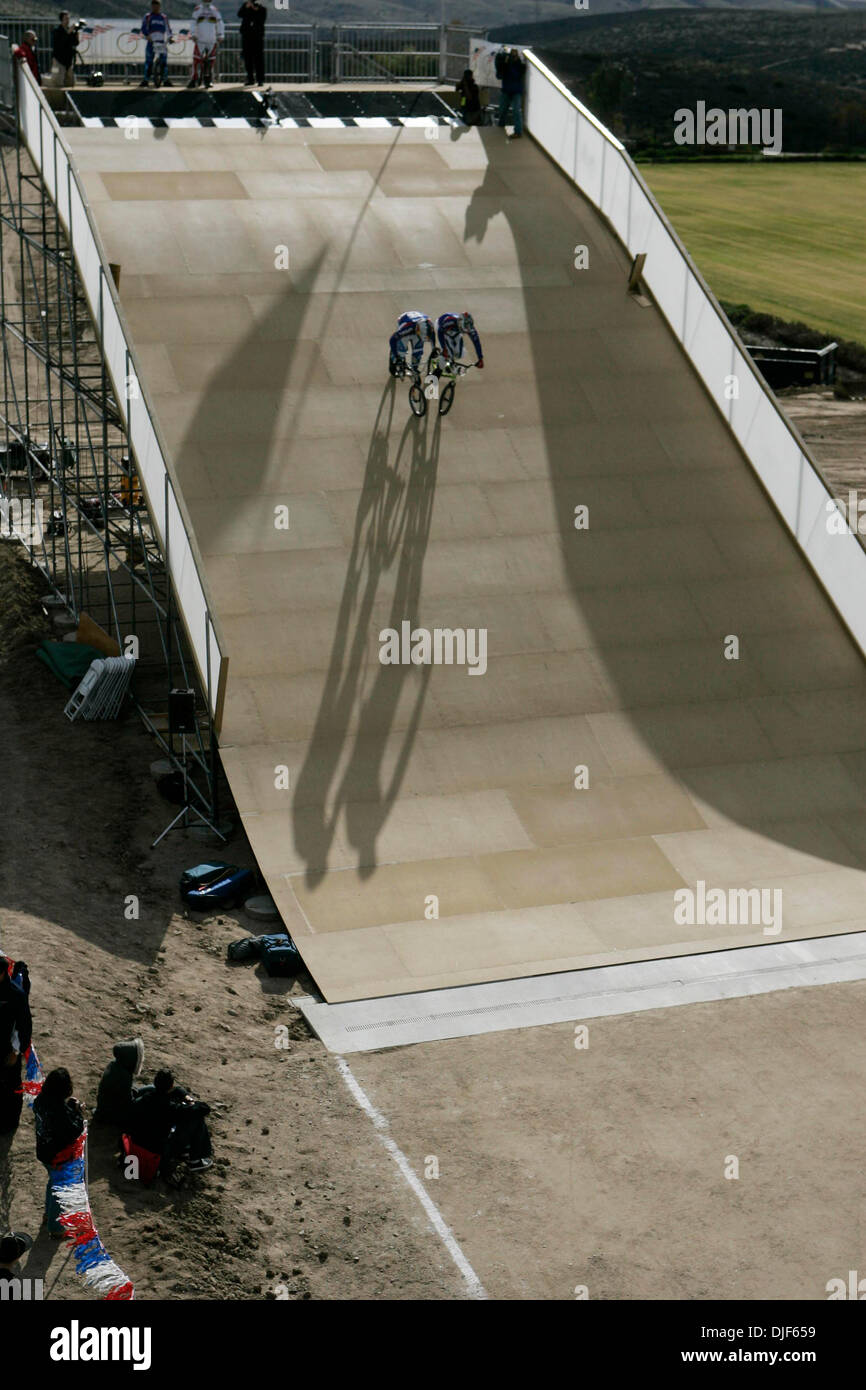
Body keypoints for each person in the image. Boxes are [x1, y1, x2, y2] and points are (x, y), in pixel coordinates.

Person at [128, 1069, 213, 1176]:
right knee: (196, 1118)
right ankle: (195, 1161)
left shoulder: (145, 1098)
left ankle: (186, 1152)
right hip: (159, 1152)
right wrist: (190, 1101)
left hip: (138, 1144)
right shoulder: (171, 1108)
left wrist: (181, 1093)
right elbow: (204, 1109)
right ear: (171, 1086)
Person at [32, 1068, 85, 1236]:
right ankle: (55, 1228)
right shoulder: (59, 1110)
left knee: (52, 1183)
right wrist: (77, 1113)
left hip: (43, 1151)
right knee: (59, 1190)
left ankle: (48, 1215)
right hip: (58, 1156)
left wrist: (69, 1107)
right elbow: (72, 1131)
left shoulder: (41, 1100)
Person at [0, 960, 32, 1139]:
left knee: (10, 1089)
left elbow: (23, 1027)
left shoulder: (16, 995)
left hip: (7, 1050)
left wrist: (15, 1051)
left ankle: (8, 1124)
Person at [93, 1038, 145, 1129]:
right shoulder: (123, 1076)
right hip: (113, 1116)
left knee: (148, 1090)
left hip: (106, 1109)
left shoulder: (115, 1065)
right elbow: (127, 1102)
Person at [389, 310, 435, 379]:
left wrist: (433, 349)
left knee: (418, 352)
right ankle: (395, 360)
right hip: (406, 323)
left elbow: (432, 337)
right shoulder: (407, 327)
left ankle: (414, 369)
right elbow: (392, 340)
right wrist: (396, 356)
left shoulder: (429, 327)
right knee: (401, 351)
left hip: (417, 327)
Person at [188, 1, 224, 89]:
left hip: (211, 39)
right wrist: (193, 34)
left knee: (211, 61)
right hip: (200, 39)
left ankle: (209, 80)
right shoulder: (197, 9)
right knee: (196, 60)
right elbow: (193, 23)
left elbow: (219, 23)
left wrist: (220, 35)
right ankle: (194, 79)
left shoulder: (214, 10)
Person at [140, 0, 173, 88]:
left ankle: (165, 80)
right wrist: (147, 36)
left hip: (161, 42)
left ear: (160, 6)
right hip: (151, 42)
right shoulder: (148, 16)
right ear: (151, 6)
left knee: (164, 62)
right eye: (153, 4)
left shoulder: (164, 17)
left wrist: (170, 38)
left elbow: (168, 29)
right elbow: (143, 28)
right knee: (149, 61)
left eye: (157, 4)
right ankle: (146, 80)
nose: (155, 6)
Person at [495, 46, 526, 138]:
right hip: (510, 89)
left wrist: (509, 63)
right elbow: (500, 74)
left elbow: (517, 74)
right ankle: (502, 125)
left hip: (514, 90)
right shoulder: (507, 63)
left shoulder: (518, 65)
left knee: (515, 111)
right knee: (503, 110)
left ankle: (518, 131)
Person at [238, 0, 266, 87]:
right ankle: (250, 79)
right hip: (246, 36)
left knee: (259, 59)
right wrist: (246, 7)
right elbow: (239, 14)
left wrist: (256, 10)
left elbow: (262, 20)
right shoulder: (245, 6)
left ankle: (260, 80)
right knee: (248, 59)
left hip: (257, 37)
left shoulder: (262, 9)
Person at [51, 12, 79, 90]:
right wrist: (68, 33)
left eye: (68, 19)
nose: (68, 21)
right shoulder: (57, 31)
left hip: (68, 61)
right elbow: (59, 43)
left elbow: (75, 43)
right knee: (57, 83)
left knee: (71, 82)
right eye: (66, 19)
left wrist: (76, 35)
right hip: (58, 60)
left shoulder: (70, 30)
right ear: (61, 20)